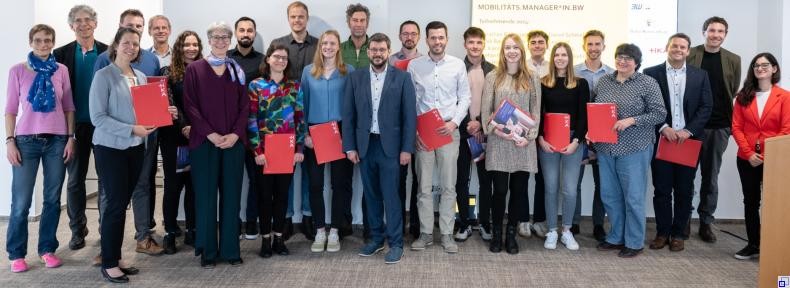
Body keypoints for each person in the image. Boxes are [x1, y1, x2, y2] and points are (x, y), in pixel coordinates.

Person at [90, 27, 159, 283]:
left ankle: (115, 256)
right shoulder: (103, 76)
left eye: (135, 43)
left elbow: (145, 111)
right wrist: (132, 129)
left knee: (122, 204)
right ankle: (108, 263)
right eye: (126, 43)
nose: (131, 47)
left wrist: (163, 113)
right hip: (110, 149)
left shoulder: (140, 76)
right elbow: (98, 118)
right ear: (116, 45)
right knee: (115, 205)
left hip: (135, 148)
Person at [5, 24, 74, 273]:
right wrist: (9, 141)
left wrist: (70, 137)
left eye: (47, 40)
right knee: (21, 202)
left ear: (53, 42)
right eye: (38, 40)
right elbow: (11, 110)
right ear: (31, 42)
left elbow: (68, 107)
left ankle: (47, 249)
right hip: (26, 141)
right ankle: (16, 254)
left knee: (53, 199)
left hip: (57, 140)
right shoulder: (17, 71)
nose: (43, 44)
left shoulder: (62, 70)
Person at [343, 32, 416, 264]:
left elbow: (409, 117)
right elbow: (349, 115)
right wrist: (349, 146)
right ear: (368, 51)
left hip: (391, 148)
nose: (377, 54)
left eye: (381, 50)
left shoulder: (402, 78)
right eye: (373, 50)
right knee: (371, 195)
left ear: (388, 51)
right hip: (365, 146)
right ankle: (376, 239)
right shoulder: (356, 78)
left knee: (391, 196)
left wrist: (407, 149)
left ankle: (395, 243)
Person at [183, 22, 248, 269]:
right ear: (208, 40)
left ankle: (231, 250)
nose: (221, 41)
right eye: (216, 37)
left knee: (232, 198)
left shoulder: (237, 70)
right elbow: (190, 105)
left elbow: (245, 107)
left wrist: (234, 134)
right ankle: (208, 251)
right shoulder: (195, 69)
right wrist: (209, 133)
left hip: (233, 143)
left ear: (230, 41)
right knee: (206, 198)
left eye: (225, 37)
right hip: (204, 143)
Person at [592, 44, 666, 258]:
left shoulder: (647, 83)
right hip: (606, 147)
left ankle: (634, 242)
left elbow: (659, 114)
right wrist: (592, 130)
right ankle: (616, 237)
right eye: (619, 57)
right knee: (610, 195)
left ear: (636, 62)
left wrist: (632, 120)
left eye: (628, 58)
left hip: (635, 147)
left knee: (633, 197)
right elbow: (597, 109)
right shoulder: (603, 81)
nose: (622, 61)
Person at [643, 33, 712, 252]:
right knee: (662, 189)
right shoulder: (650, 73)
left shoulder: (700, 75)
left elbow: (706, 107)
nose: (678, 50)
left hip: (688, 142)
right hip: (662, 139)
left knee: (684, 189)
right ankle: (663, 232)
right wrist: (664, 127)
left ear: (688, 51)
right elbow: (646, 106)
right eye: (675, 46)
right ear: (667, 47)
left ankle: (679, 233)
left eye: (683, 47)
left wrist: (688, 131)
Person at [408, 21, 471, 254]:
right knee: (423, 187)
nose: (437, 42)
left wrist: (454, 122)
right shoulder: (415, 66)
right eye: (433, 38)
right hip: (423, 133)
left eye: (441, 37)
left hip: (448, 130)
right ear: (426, 40)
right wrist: (415, 131)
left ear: (447, 39)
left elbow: (464, 97)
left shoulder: (456, 65)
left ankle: (446, 234)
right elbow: (411, 101)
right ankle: (425, 234)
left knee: (448, 186)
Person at [52, 4, 107, 251]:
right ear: (71, 25)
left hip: (104, 124)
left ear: (95, 24)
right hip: (75, 128)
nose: (83, 24)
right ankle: (77, 229)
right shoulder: (60, 54)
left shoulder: (108, 52)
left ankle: (106, 228)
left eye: (88, 20)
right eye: (78, 21)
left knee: (107, 180)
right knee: (75, 180)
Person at [480, 33, 540, 254]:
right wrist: (496, 130)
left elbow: (536, 109)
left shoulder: (532, 77)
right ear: (502, 51)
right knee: (500, 191)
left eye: (516, 47)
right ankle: (497, 234)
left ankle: (512, 235)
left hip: (522, 144)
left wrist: (530, 135)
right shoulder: (493, 76)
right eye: (508, 47)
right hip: (500, 142)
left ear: (521, 51)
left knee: (519, 190)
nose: (512, 51)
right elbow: (485, 111)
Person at [248, 43, 306, 258]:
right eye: (277, 57)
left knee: (282, 196)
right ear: (268, 59)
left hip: (287, 150)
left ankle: (279, 238)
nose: (281, 60)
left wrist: (299, 148)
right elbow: (251, 119)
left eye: (284, 58)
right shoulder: (256, 86)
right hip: (264, 150)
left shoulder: (294, 86)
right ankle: (265, 239)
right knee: (264, 196)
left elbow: (300, 118)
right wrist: (257, 151)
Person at [686, 16, 741, 243]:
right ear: (704, 32)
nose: (715, 34)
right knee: (686, 176)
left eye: (720, 31)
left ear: (725, 35)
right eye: (711, 30)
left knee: (711, 177)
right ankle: (684, 219)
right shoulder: (690, 54)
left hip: (719, 127)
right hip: (690, 127)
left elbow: (732, 89)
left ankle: (706, 222)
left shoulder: (733, 59)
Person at [731, 53, 790, 260]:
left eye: (765, 65)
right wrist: (749, 154)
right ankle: (753, 244)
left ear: (774, 69)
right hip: (747, 158)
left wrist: (766, 154)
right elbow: (736, 127)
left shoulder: (785, 97)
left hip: (776, 159)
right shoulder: (742, 97)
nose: (760, 68)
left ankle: (775, 246)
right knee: (751, 201)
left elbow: (786, 129)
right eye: (756, 65)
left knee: (774, 203)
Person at [301, 30, 355, 253]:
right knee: (315, 184)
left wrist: (349, 137)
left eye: (333, 43)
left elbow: (352, 108)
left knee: (339, 184)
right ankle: (320, 230)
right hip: (315, 133)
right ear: (320, 46)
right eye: (325, 43)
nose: (328, 47)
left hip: (339, 132)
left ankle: (334, 231)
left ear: (338, 47)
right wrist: (305, 134)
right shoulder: (308, 72)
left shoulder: (348, 71)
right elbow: (301, 105)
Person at [270, 1, 318, 240]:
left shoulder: (319, 45)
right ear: (288, 19)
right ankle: (286, 218)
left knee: (310, 170)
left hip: (313, 114)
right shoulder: (278, 45)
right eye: (293, 16)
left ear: (307, 19)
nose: (297, 20)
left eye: (301, 16)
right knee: (284, 171)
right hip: (283, 118)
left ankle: (308, 217)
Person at [537, 42, 588, 250]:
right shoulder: (543, 83)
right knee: (550, 187)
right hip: (547, 141)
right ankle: (551, 230)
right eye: (556, 55)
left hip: (572, 142)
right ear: (552, 58)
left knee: (569, 189)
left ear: (569, 58)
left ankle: (566, 230)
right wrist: (540, 139)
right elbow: (538, 113)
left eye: (564, 55)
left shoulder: (580, 83)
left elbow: (584, 116)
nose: (560, 58)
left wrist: (577, 142)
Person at [158, 30, 203, 254]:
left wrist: (194, 127)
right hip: (173, 139)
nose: (191, 48)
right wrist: (184, 124)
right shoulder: (167, 73)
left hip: (198, 136)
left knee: (194, 186)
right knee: (173, 186)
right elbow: (170, 104)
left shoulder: (204, 71)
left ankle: (193, 230)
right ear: (179, 47)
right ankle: (170, 231)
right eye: (187, 45)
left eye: (195, 44)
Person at [573, 29, 613, 242]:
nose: (594, 48)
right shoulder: (574, 72)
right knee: (575, 181)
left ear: (603, 47)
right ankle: (575, 222)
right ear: (584, 46)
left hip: (603, 136)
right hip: (579, 133)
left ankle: (598, 223)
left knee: (602, 182)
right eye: (590, 44)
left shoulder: (613, 73)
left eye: (598, 44)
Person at [456, 26, 495, 242]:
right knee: (460, 181)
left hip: (485, 135)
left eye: (478, 42)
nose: (475, 46)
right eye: (471, 42)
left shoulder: (494, 70)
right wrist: (467, 125)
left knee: (485, 182)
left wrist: (480, 125)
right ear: (465, 44)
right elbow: (451, 102)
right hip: (462, 134)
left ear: (484, 44)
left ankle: (485, 223)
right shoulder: (455, 68)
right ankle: (464, 223)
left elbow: (498, 104)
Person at [228, 16, 265, 240]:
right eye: (241, 30)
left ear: (254, 33)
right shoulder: (224, 60)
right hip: (230, 129)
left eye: (249, 30)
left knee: (255, 179)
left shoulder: (262, 61)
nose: (245, 34)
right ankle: (233, 223)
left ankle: (252, 221)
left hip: (254, 129)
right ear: (235, 33)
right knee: (231, 180)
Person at [390, 20, 421, 239]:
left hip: (422, 128)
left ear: (418, 37)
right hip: (397, 130)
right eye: (405, 33)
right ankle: (399, 225)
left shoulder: (427, 62)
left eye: (413, 33)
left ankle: (418, 226)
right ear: (400, 36)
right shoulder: (390, 61)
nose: (409, 37)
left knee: (420, 180)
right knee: (398, 181)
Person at [522, 30, 550, 238]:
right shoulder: (521, 67)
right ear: (528, 46)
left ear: (547, 45)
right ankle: (522, 219)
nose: (537, 45)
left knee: (543, 178)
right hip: (523, 128)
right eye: (533, 42)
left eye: (541, 42)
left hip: (547, 130)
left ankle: (539, 220)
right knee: (522, 176)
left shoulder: (555, 67)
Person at [341, 3, 371, 69]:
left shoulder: (375, 50)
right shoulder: (339, 49)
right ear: (349, 23)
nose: (359, 24)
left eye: (362, 20)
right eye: (355, 20)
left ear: (367, 24)